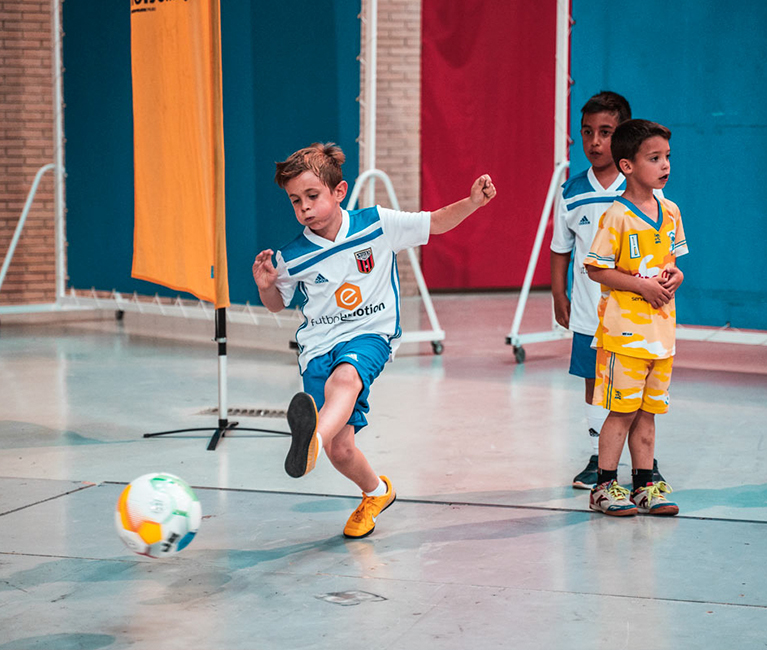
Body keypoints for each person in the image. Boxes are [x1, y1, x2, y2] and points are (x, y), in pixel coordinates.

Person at [252, 142, 496, 538]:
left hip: (371, 334)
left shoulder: (376, 224)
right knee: (341, 450)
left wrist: (471, 203)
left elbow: (434, 222)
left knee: (344, 381)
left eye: (313, 196)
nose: (305, 208)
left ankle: (311, 436)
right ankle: (376, 491)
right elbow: (277, 304)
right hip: (317, 347)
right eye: (296, 201)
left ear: (338, 191)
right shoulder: (292, 256)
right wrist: (265, 285)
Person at [550, 91, 666, 489]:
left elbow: (664, 248)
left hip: (634, 316)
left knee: (635, 390)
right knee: (595, 384)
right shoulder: (570, 191)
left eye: (606, 132)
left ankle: (643, 464)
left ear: (624, 140)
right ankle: (599, 458)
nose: (595, 142)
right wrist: (558, 294)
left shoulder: (643, 186)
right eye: (587, 132)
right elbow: (561, 249)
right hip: (587, 312)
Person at [584, 119, 687, 516]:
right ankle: (604, 485)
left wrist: (675, 275)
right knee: (622, 410)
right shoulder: (616, 216)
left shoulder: (671, 210)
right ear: (627, 166)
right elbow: (596, 268)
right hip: (624, 335)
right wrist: (640, 287)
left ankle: (645, 484)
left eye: (667, 158)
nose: (665, 166)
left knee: (649, 411)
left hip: (661, 334)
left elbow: (671, 263)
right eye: (654, 158)